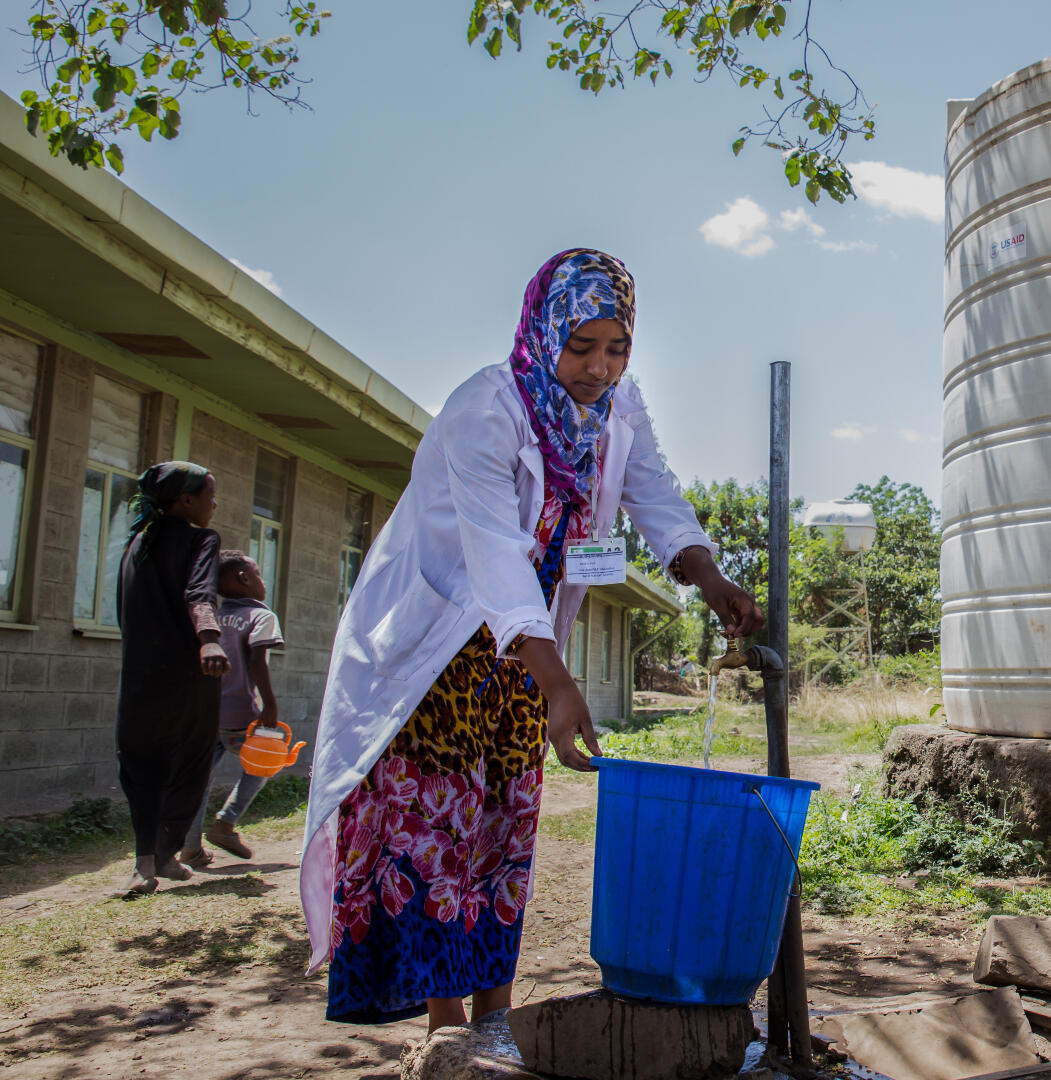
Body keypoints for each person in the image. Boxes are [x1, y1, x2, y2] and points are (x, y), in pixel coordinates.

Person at [300, 249, 762, 1030]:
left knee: (504, 831)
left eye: (616, 349)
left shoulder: (616, 409)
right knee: (440, 835)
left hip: (524, 654)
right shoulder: (486, 409)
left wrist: (708, 576)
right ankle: (450, 1036)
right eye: (581, 346)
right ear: (545, 329)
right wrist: (557, 681)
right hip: (440, 653)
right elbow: (494, 557)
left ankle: (497, 1018)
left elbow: (654, 492)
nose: (597, 367)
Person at [115, 461, 230, 897]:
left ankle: (149, 862)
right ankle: (166, 851)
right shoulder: (202, 539)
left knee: (140, 763)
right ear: (185, 500)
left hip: (140, 675)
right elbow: (199, 593)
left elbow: (122, 610)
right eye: (209, 495)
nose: (213, 504)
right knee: (190, 761)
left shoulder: (136, 543)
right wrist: (209, 641)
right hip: (192, 673)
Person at [178, 551, 284, 867]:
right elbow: (256, 662)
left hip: (206, 713)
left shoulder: (211, 618)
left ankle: (190, 847)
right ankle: (226, 823)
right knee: (266, 762)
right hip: (241, 714)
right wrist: (270, 704)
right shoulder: (262, 616)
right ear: (244, 578)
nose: (263, 582)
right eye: (259, 574)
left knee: (200, 780)